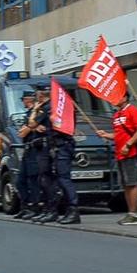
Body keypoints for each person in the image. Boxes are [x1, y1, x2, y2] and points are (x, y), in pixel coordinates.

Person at [45, 87, 80, 226]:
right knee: (60, 179)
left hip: (64, 147)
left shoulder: (67, 112)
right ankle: (68, 210)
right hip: (59, 147)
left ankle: (73, 209)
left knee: (65, 179)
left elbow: (65, 129)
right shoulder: (62, 111)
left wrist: (55, 121)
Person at [18, 88, 50, 223]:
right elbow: (21, 133)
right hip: (28, 150)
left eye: (24, 99)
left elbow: (26, 131)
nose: (23, 102)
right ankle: (26, 207)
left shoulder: (38, 112)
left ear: (28, 100)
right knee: (21, 181)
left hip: (35, 150)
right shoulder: (30, 113)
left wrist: (30, 127)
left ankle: (35, 207)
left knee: (34, 181)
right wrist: (31, 128)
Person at [112, 97, 137, 224]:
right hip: (119, 154)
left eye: (116, 95)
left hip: (130, 153)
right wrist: (106, 135)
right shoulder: (116, 114)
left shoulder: (132, 110)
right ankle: (130, 212)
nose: (113, 99)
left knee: (132, 183)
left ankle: (134, 214)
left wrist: (128, 145)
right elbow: (118, 134)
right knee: (126, 185)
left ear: (125, 97)